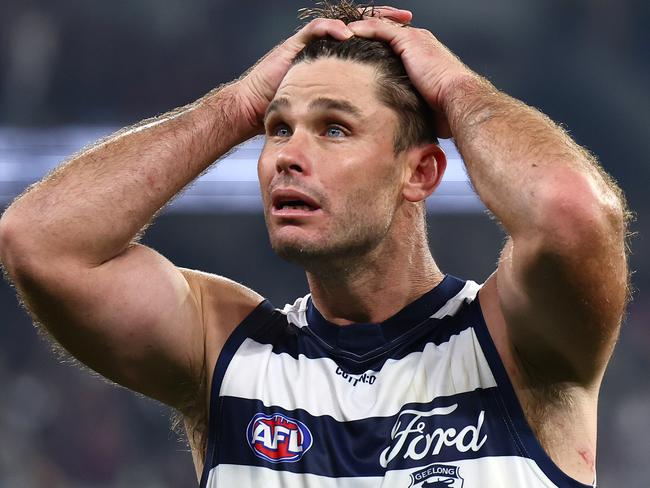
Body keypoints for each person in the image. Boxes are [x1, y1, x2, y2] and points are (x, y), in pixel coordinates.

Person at [0, 2, 630, 487]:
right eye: (277, 129)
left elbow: (570, 211)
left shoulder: (516, 346)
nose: (287, 158)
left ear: (420, 172)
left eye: (334, 128)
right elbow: (39, 240)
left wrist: (460, 93)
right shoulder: (222, 351)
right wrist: (236, 105)